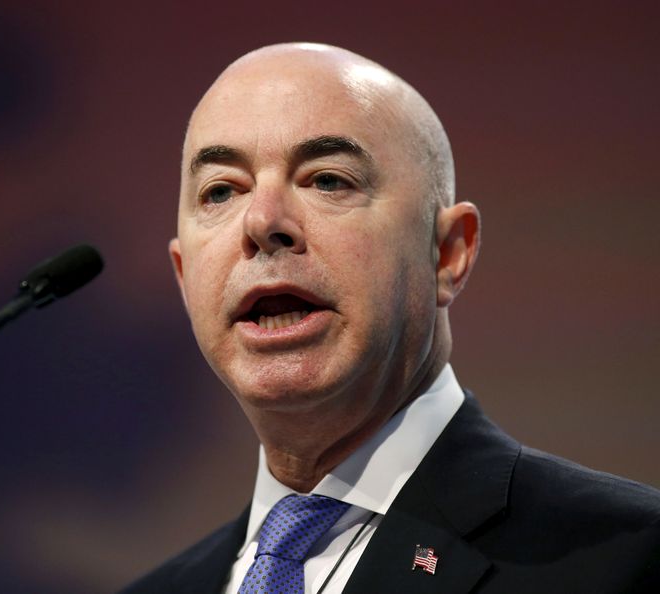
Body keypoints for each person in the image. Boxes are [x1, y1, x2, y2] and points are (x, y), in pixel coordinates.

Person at [120, 43, 660, 593]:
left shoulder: (626, 556)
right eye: (221, 190)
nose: (262, 221)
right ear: (185, 278)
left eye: (327, 180)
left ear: (448, 251)